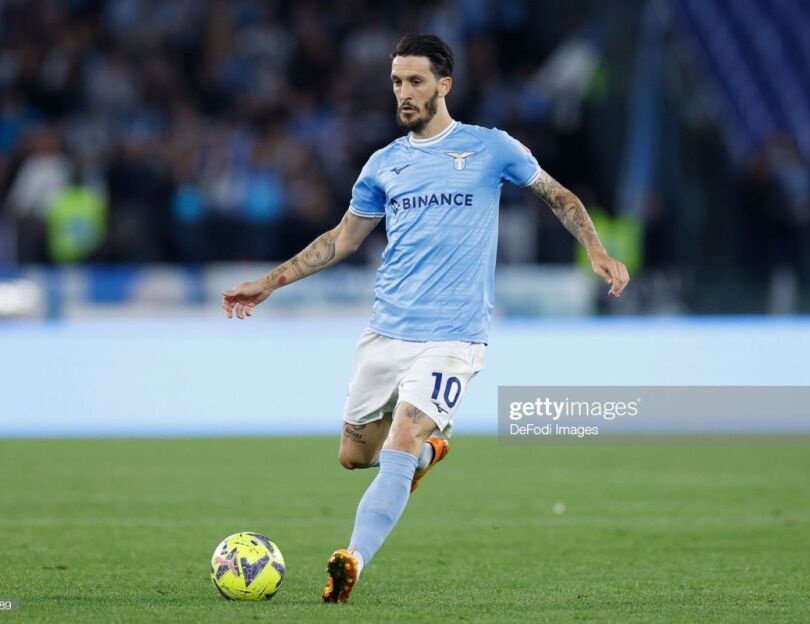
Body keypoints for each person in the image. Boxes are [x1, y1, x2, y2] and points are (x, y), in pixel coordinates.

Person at [222, 34, 630, 603]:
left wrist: (596, 249)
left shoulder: (490, 148)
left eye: (415, 81)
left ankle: (352, 559)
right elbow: (341, 240)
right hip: (386, 332)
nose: (404, 93)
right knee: (354, 457)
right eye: (397, 82)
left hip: (454, 338)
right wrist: (268, 283)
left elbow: (559, 196)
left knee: (405, 432)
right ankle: (426, 454)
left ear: (444, 85)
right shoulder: (384, 164)